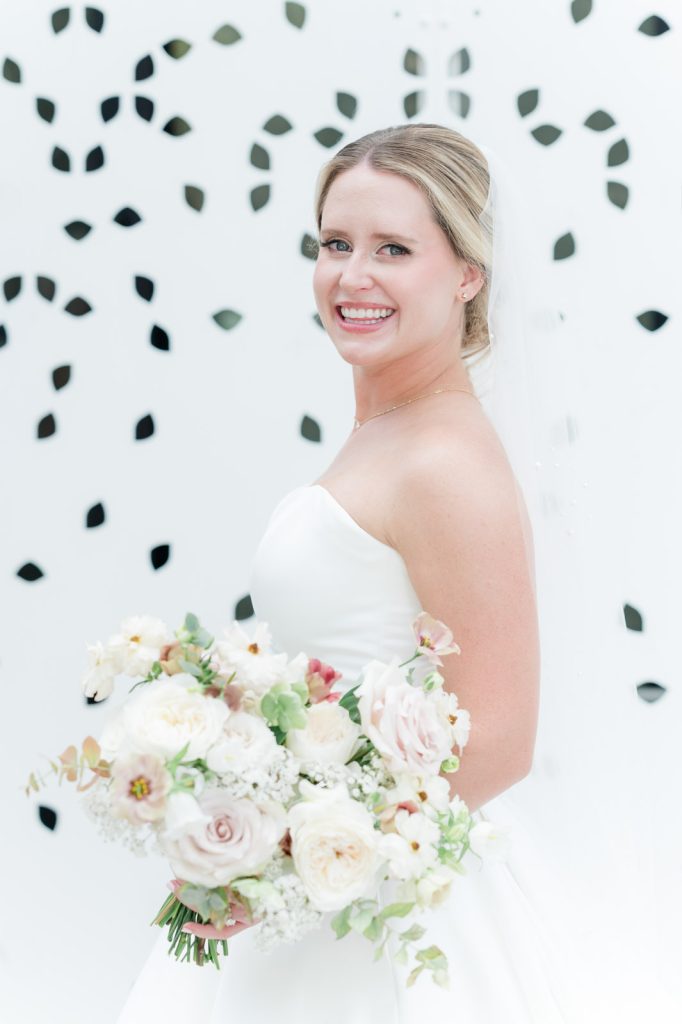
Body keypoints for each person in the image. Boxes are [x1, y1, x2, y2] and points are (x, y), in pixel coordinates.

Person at [114, 123, 583, 1023]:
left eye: (393, 250)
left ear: (467, 274)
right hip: (317, 881)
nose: (351, 277)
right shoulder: (391, 429)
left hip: (386, 919)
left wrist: (279, 855)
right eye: (335, 245)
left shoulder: (443, 463)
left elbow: (499, 741)